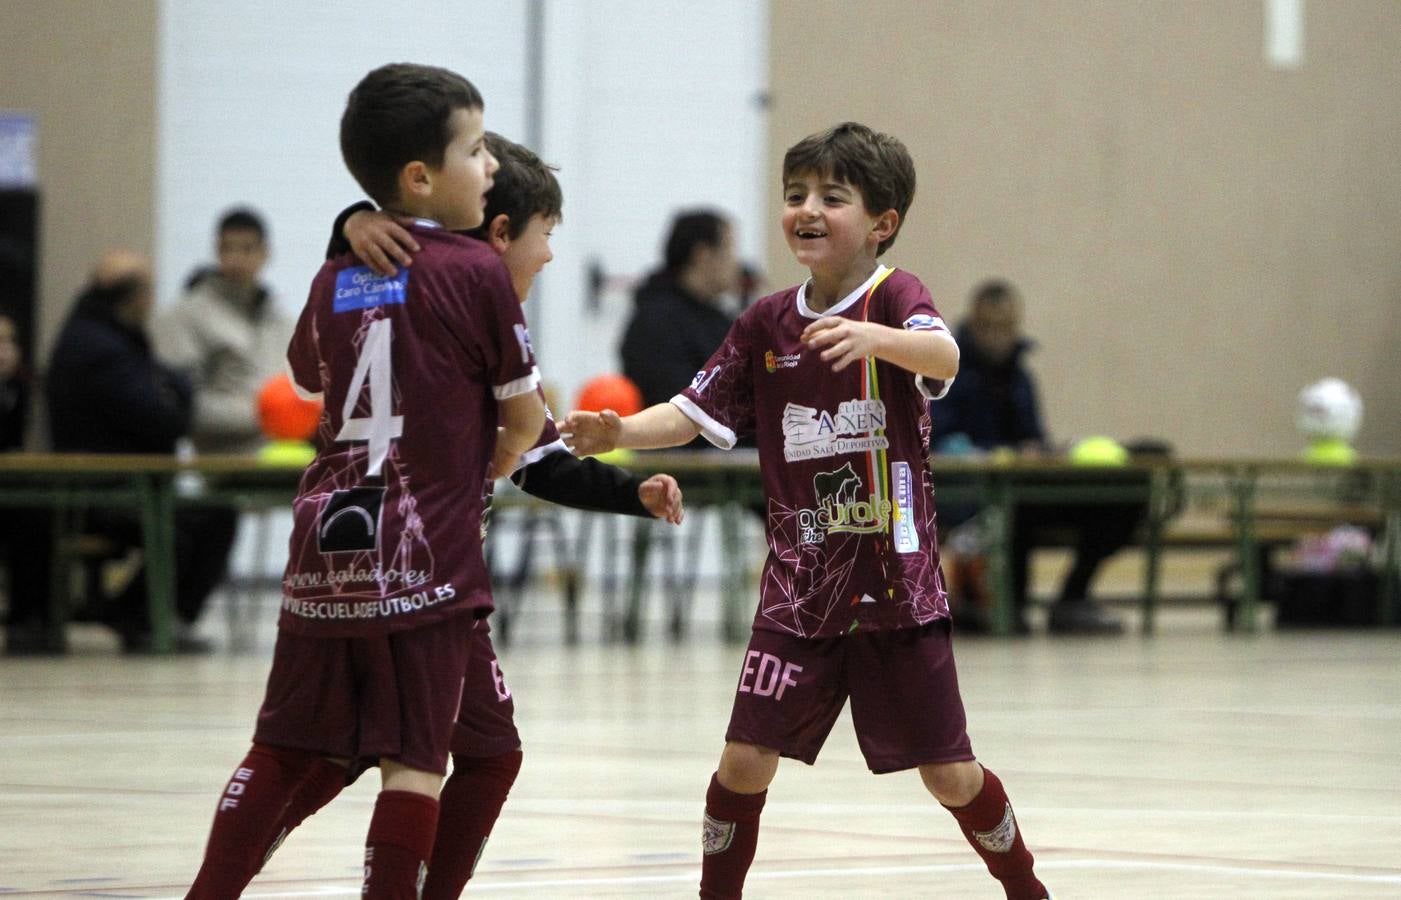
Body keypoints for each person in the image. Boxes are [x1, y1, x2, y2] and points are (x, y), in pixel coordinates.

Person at [565, 122, 1049, 900]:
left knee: (951, 776)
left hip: (897, 589)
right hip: (799, 591)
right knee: (742, 762)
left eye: (832, 196)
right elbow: (691, 413)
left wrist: (875, 338)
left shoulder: (895, 296)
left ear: (882, 223)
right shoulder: (763, 323)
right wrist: (619, 433)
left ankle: (1026, 888)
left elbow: (945, 356)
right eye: (795, 196)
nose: (806, 210)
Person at [222, 132, 686, 898]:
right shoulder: (472, 300)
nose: (548, 257)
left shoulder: (391, 288)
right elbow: (523, 441)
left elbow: (530, 454)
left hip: (349, 547)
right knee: (403, 758)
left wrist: (625, 492)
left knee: (438, 751)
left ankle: (227, 874)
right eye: (546, 236)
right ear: (500, 232)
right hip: (429, 569)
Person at [186, 63, 546, 898]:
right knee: (414, 762)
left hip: (325, 541)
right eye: (476, 148)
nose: (490, 165)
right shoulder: (476, 273)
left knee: (282, 742)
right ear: (422, 177)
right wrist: (475, 466)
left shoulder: (330, 273)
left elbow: (306, 379)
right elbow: (524, 424)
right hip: (426, 554)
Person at [45, 251, 237, 653]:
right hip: (102, 488)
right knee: (182, 528)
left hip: (123, 483)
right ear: (134, 297)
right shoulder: (100, 348)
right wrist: (181, 393)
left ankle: (152, 616)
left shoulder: (106, 336)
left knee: (213, 513)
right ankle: (131, 614)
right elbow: (160, 415)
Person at [931, 279, 1134, 635]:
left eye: (1006, 327)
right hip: (965, 494)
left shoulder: (1020, 375)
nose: (998, 337)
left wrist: (1040, 453)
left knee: (1120, 502)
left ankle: (1072, 597)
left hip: (1020, 484)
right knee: (1013, 511)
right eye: (989, 327)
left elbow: (1034, 435)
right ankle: (1006, 606)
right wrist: (999, 455)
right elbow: (938, 441)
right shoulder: (945, 369)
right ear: (973, 323)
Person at [157, 207, 293, 455]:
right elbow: (179, 404)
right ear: (216, 251)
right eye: (227, 249)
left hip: (283, 460)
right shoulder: (187, 315)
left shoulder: (281, 320)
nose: (236, 259)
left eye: (247, 248)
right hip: (225, 464)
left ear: (265, 253)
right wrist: (268, 414)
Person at [620, 210, 741, 411]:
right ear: (703, 255)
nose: (736, 264)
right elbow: (679, 405)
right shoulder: (656, 323)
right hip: (678, 438)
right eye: (729, 250)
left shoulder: (717, 317)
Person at [0, 308, 58, 654]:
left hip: (15, 492)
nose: (4, 350)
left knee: (37, 518)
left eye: (8, 342)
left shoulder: (26, 388)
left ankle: (30, 622)